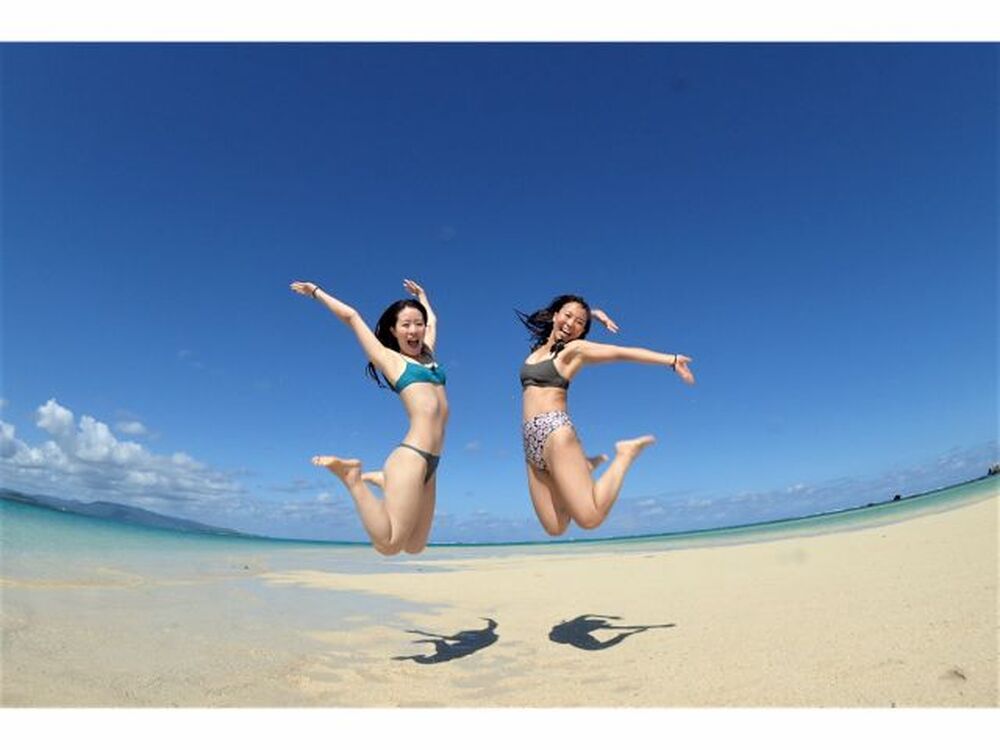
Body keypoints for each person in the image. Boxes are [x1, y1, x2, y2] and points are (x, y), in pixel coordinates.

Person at [290, 278, 447, 555]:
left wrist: (423, 296)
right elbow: (351, 317)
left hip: (433, 462)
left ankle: (385, 481)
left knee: (415, 546)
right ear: (394, 331)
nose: (414, 330)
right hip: (412, 455)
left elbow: (433, 321)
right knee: (389, 545)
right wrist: (315, 292)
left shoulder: (428, 355)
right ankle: (353, 477)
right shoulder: (390, 360)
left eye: (418, 324)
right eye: (406, 325)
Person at [517, 294, 694, 536]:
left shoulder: (573, 350)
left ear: (582, 332)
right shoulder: (538, 351)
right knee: (556, 527)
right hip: (529, 442)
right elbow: (571, 317)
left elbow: (620, 352)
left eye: (580, 323)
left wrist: (671, 360)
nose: (571, 323)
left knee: (590, 519)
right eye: (568, 316)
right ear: (555, 315)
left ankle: (624, 454)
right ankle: (583, 466)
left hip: (554, 432)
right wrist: (592, 314)